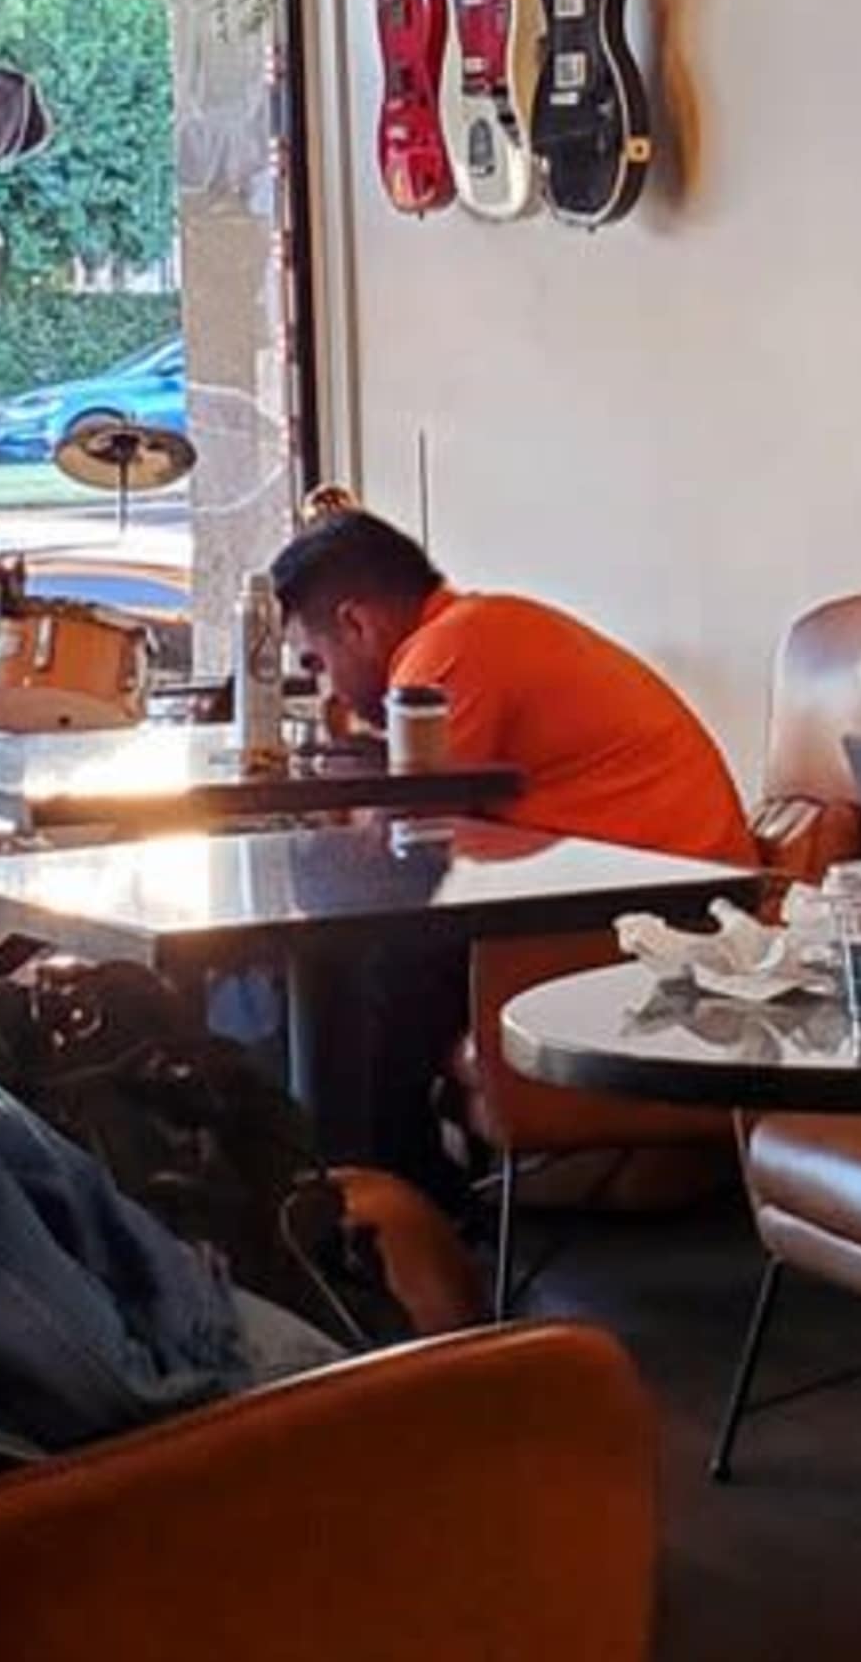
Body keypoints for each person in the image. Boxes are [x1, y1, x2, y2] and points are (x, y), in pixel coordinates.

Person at [266, 505, 753, 1184]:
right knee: (376, 957)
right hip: (639, 901)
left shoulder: (445, 656)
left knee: (370, 962)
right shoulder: (485, 627)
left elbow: (398, 841)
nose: (326, 689)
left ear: (357, 622)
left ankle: (380, 1203)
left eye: (317, 663)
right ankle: (393, 1193)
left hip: (661, 921)